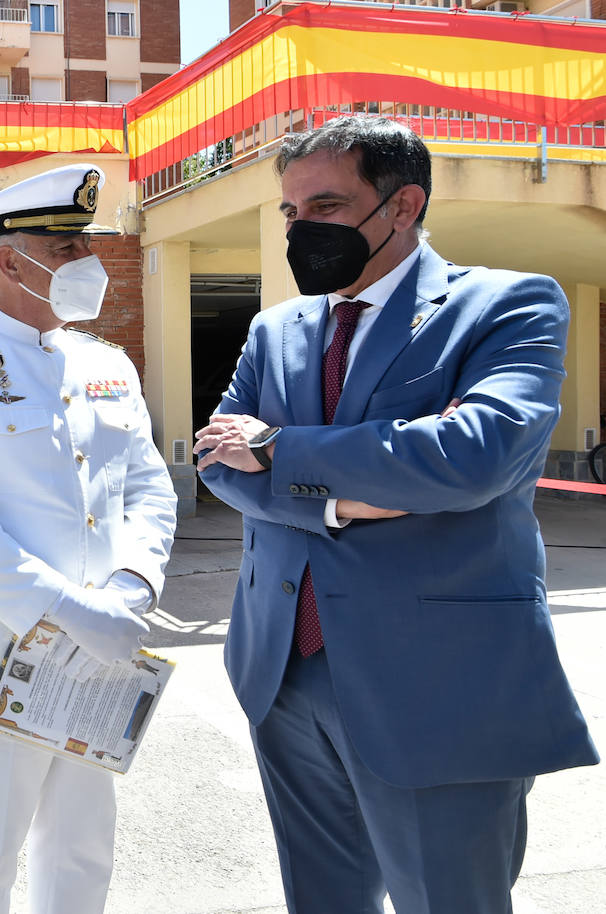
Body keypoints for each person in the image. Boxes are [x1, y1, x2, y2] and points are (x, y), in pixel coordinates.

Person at [193, 115, 598, 913]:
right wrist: (347, 501)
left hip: (438, 682)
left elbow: (471, 456)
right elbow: (217, 459)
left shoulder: (506, 306)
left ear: (403, 204)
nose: (302, 228)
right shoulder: (277, 329)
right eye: (290, 212)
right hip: (284, 673)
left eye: (327, 207)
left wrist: (281, 449)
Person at [0, 163, 177, 914]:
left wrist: (132, 587)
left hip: (104, 648)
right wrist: (70, 612)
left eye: (85, 239)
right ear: (12, 260)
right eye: (67, 242)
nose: (88, 256)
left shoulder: (106, 365)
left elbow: (147, 486)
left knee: (83, 846)